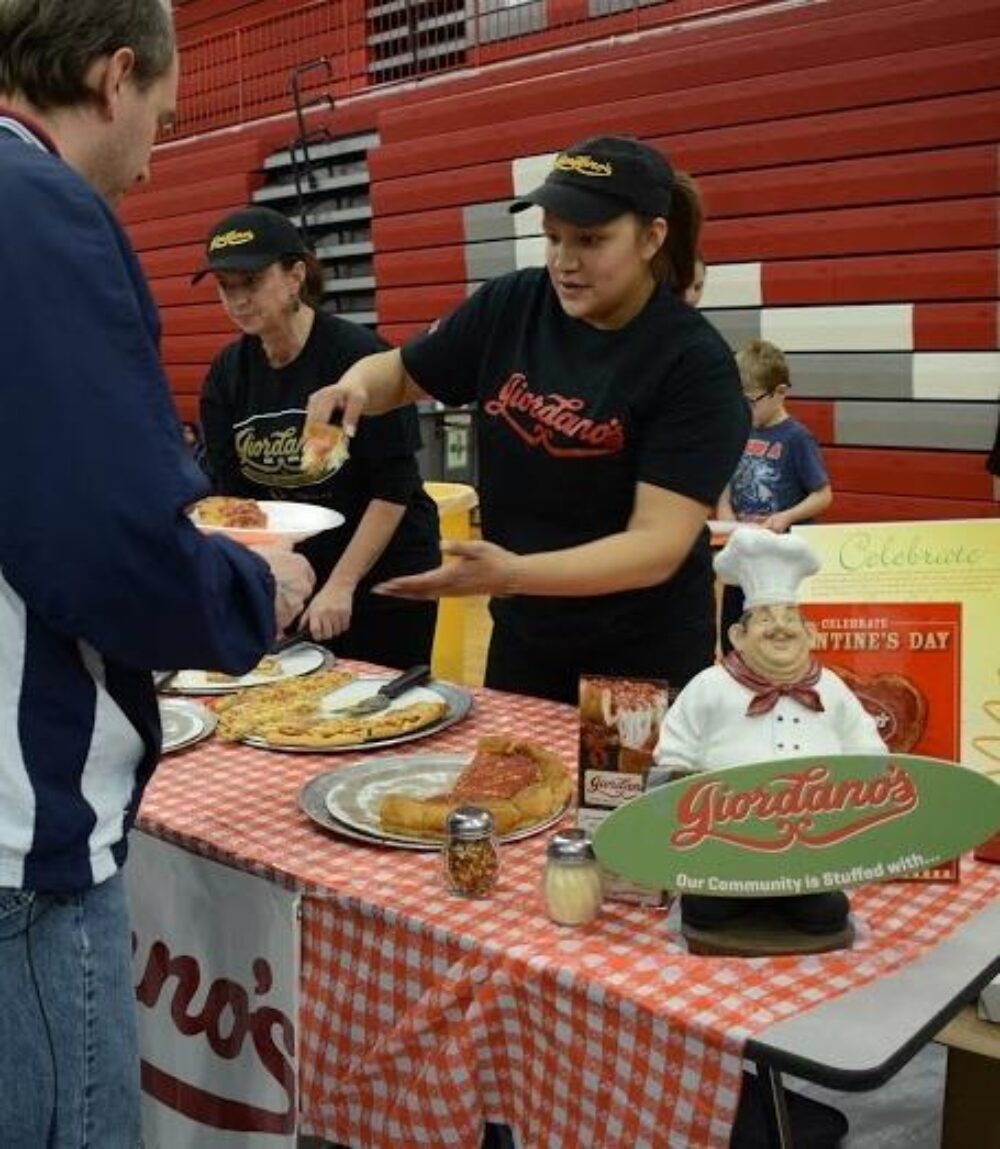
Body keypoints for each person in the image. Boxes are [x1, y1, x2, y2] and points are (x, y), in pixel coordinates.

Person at [0, 5, 314, 1146]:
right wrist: (245, 592)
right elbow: (110, 536)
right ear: (114, 74)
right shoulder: (38, 211)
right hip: (20, 832)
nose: (149, 164)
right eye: (163, 123)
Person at [305, 135, 749, 705]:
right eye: (553, 238)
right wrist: (355, 384)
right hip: (524, 639)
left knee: (617, 797)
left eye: (590, 240)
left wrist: (514, 573)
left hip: (640, 656)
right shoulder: (514, 303)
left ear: (651, 237)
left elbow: (656, 545)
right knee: (513, 787)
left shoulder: (692, 362)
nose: (565, 262)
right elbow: (401, 373)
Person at [196, 205, 441, 669]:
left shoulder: (356, 356)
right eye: (225, 287)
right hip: (299, 571)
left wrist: (342, 585)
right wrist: (267, 577)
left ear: (295, 276)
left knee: (375, 711)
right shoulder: (227, 374)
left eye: (250, 282)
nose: (237, 300)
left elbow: (394, 489)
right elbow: (239, 499)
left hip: (382, 571)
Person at [652, 528, 887, 934]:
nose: (780, 628)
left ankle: (801, 896)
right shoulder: (709, 687)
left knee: (823, 914)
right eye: (765, 618)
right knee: (706, 912)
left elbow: (869, 752)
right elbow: (673, 755)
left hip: (815, 850)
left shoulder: (832, 689)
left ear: (811, 634)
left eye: (790, 618)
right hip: (726, 846)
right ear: (737, 636)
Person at [716, 338, 833, 653]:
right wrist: (724, 506)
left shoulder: (796, 438)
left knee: (773, 639)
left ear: (780, 392)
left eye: (752, 401)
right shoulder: (739, 428)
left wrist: (786, 517)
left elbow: (823, 495)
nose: (744, 409)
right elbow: (725, 472)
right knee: (735, 632)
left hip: (780, 564)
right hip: (744, 553)